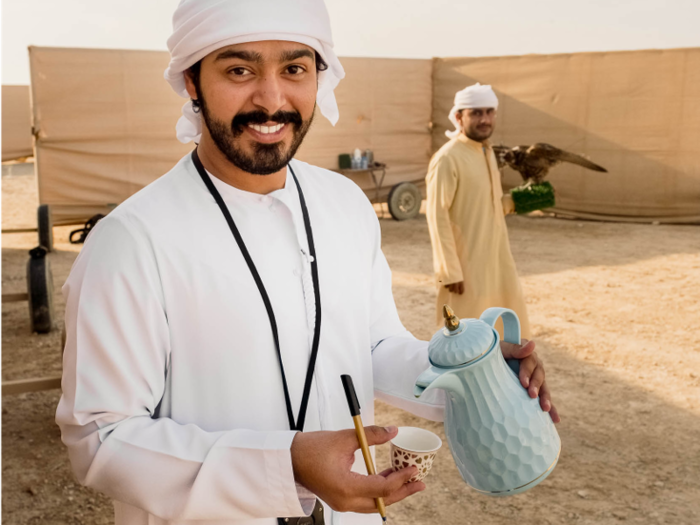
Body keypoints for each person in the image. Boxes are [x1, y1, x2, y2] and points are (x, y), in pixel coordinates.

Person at [56, 4, 558, 525]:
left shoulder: (343, 204)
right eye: (239, 70)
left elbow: (372, 345)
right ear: (191, 82)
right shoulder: (133, 240)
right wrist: (283, 467)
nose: (272, 99)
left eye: (295, 69)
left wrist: (473, 375)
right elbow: (100, 436)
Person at [426, 83, 532, 338]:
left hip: (497, 261)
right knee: (465, 339)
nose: (484, 119)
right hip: (465, 267)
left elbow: (490, 203)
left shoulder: (487, 152)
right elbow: (436, 214)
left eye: (489, 112)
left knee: (506, 331)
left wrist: (521, 200)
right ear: (460, 117)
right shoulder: (448, 158)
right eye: (476, 113)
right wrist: (449, 270)